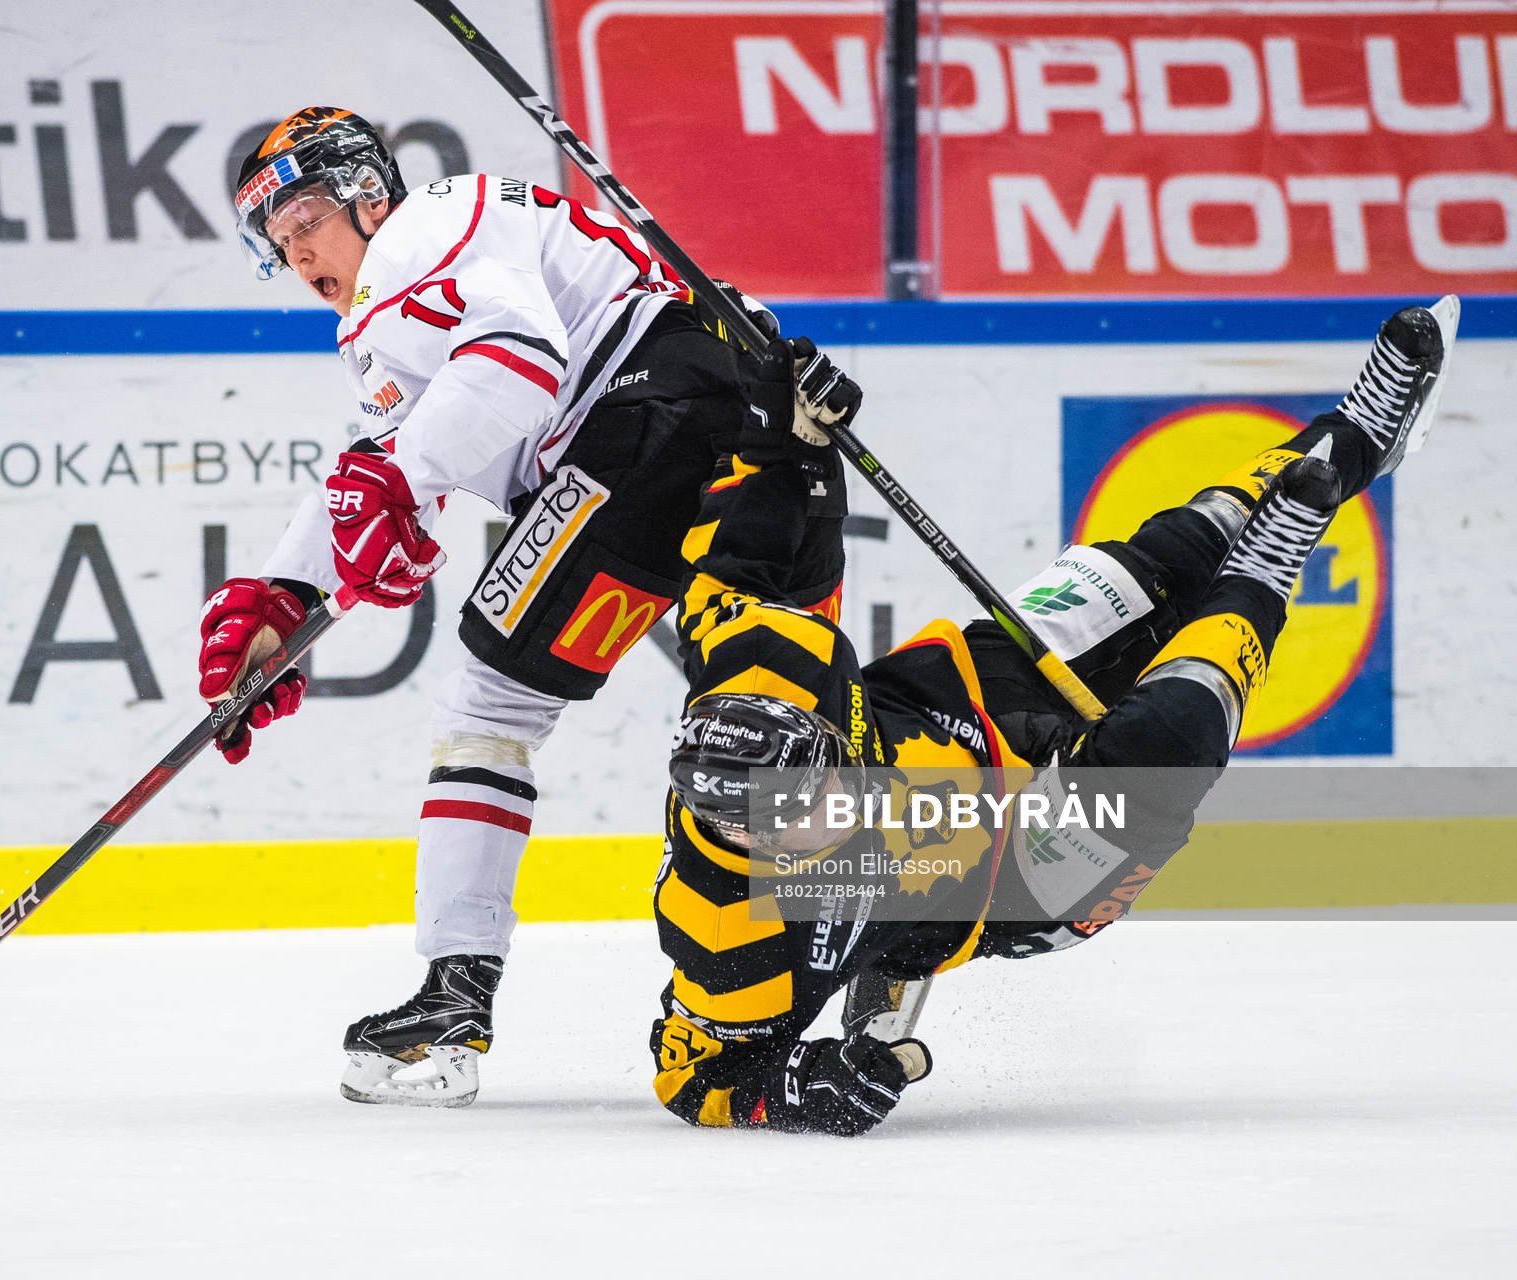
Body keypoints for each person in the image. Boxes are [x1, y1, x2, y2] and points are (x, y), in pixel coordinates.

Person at [651, 298, 1458, 1134]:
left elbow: (751, 556)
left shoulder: (763, 659)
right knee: (1171, 735)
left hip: (958, 702)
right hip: (999, 884)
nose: (836, 806)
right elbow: (692, 1079)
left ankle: (1354, 439)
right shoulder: (727, 930)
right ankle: (1286, 545)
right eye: (804, 821)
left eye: (828, 780)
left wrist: (793, 439)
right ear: (748, 840)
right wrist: (794, 1086)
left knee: (1176, 552)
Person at [194, 106, 860, 1106]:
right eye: (279, 244)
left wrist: (407, 483)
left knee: (488, 710)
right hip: (755, 423)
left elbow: (520, 358)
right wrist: (282, 597)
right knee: (773, 716)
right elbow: (382, 453)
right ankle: (874, 932)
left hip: (640, 425)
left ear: (368, 194)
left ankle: (455, 996)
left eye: (306, 226)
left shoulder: (416, 237)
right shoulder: (455, 248)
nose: (299, 258)